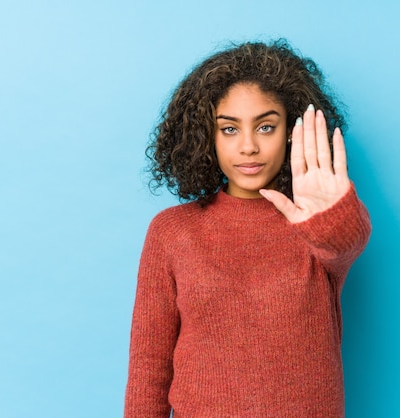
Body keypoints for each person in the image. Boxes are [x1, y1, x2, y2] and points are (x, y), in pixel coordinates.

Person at [124, 39, 371, 418]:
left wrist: (330, 215)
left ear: (291, 130)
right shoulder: (172, 232)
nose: (249, 147)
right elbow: (148, 371)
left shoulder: (314, 226)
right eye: (229, 129)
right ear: (207, 135)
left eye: (266, 126)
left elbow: (347, 243)